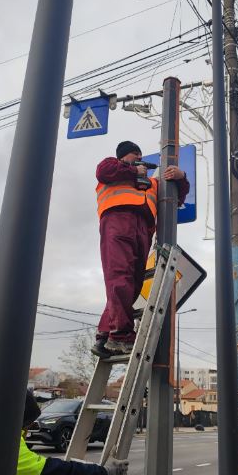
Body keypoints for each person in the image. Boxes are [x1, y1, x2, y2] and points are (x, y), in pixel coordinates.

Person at [92, 140, 189, 357]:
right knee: (119, 278)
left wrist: (181, 177)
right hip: (117, 222)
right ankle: (121, 336)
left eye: (140, 155)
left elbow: (178, 198)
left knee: (132, 284)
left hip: (144, 229)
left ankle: (105, 335)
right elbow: (103, 170)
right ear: (123, 157)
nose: (139, 158)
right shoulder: (112, 168)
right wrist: (132, 169)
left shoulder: (152, 183)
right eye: (134, 155)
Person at [16, 390, 129, 475]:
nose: (30, 427)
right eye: (29, 423)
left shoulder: (3, 440)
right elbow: (52, 473)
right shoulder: (6, 449)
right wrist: (104, 473)